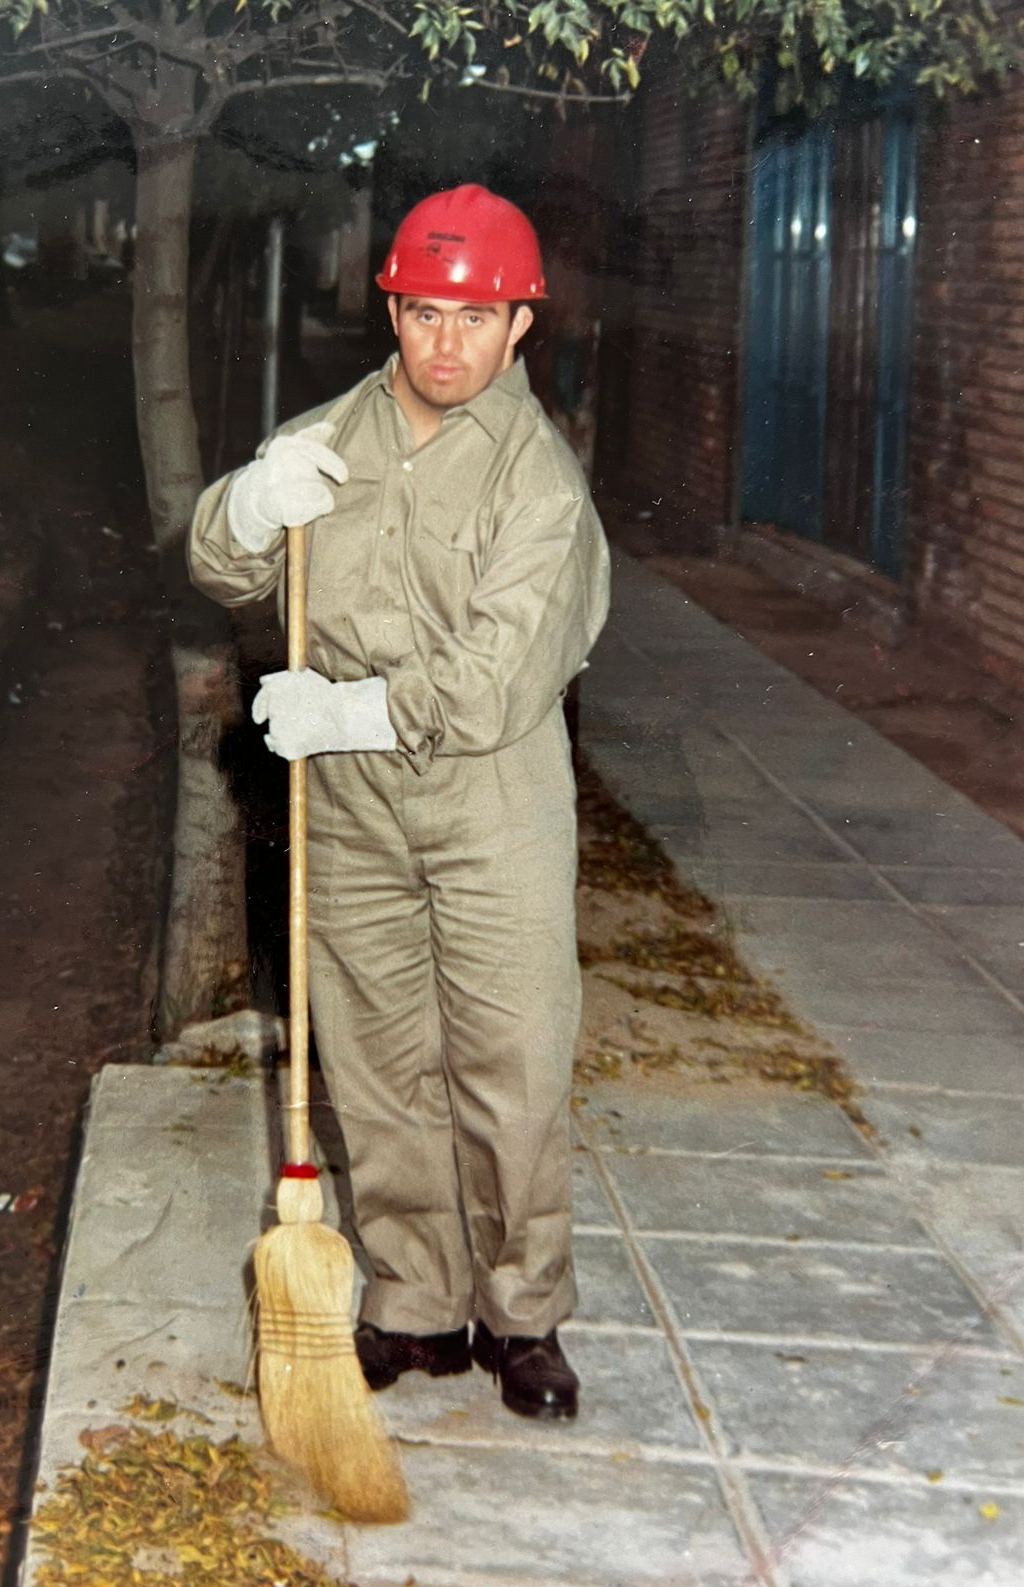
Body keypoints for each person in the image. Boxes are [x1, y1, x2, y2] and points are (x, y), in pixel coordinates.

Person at [189, 184, 610, 1422]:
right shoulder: (332, 435)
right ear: (393, 308)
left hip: (492, 799)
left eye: (475, 320)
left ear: (521, 326)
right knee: (377, 1060)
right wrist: (247, 506)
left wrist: (349, 711)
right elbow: (222, 562)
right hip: (355, 810)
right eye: (424, 312)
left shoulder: (542, 485)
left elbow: (495, 680)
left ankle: (523, 1315)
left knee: (512, 1061)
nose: (445, 344)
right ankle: (418, 1299)